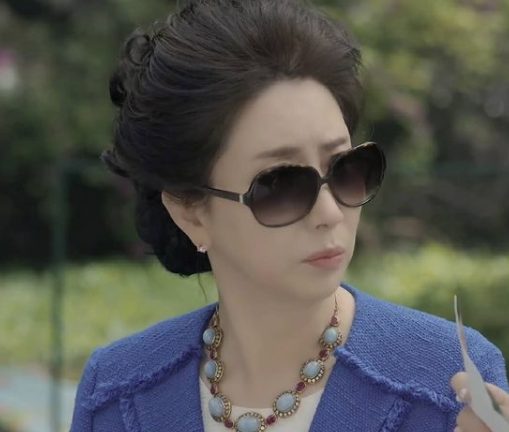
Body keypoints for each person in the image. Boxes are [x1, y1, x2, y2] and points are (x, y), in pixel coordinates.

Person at [69, 0, 509, 431]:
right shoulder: (115, 393)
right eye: (281, 185)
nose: (330, 213)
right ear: (190, 212)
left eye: (347, 169)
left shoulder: (452, 385)